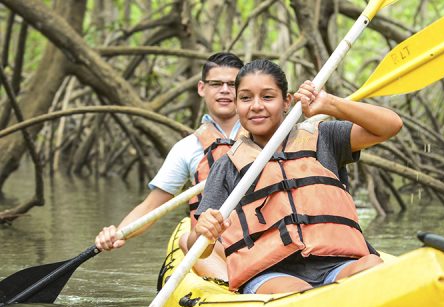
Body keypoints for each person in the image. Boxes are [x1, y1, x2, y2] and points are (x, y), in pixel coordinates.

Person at [188, 59, 403, 294]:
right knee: (297, 291)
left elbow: (390, 125)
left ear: (287, 102)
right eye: (246, 98)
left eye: (268, 97)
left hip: (337, 265)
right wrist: (203, 233)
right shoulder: (226, 166)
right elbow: (197, 249)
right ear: (237, 105)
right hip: (271, 274)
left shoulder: (325, 138)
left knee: (372, 265)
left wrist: (329, 104)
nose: (256, 106)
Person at [95, 52, 244, 281]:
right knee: (188, 239)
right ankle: (232, 286)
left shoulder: (268, 135)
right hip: (215, 243)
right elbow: (152, 207)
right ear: (202, 88)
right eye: (216, 84)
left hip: (261, 235)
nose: (224, 90)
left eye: (232, 84)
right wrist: (119, 233)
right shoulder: (187, 148)